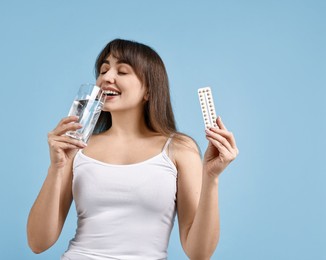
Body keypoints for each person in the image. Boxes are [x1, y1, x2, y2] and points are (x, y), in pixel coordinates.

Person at [27, 39, 239, 260]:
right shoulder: (77, 147)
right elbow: (37, 242)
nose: (107, 78)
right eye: (103, 70)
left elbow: (199, 253)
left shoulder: (179, 149)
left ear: (148, 90)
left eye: (122, 71)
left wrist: (212, 177)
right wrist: (56, 167)